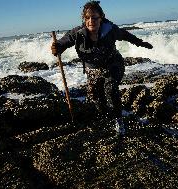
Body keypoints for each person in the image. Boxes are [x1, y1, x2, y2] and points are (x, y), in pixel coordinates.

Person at [51, 1, 153, 135]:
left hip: (113, 65)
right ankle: (107, 117)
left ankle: (119, 121)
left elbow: (125, 35)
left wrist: (140, 43)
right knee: (97, 98)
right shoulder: (78, 33)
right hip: (92, 70)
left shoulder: (110, 29)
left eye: (94, 17)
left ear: (101, 17)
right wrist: (57, 47)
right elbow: (64, 41)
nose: (91, 21)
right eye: (87, 18)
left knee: (110, 89)